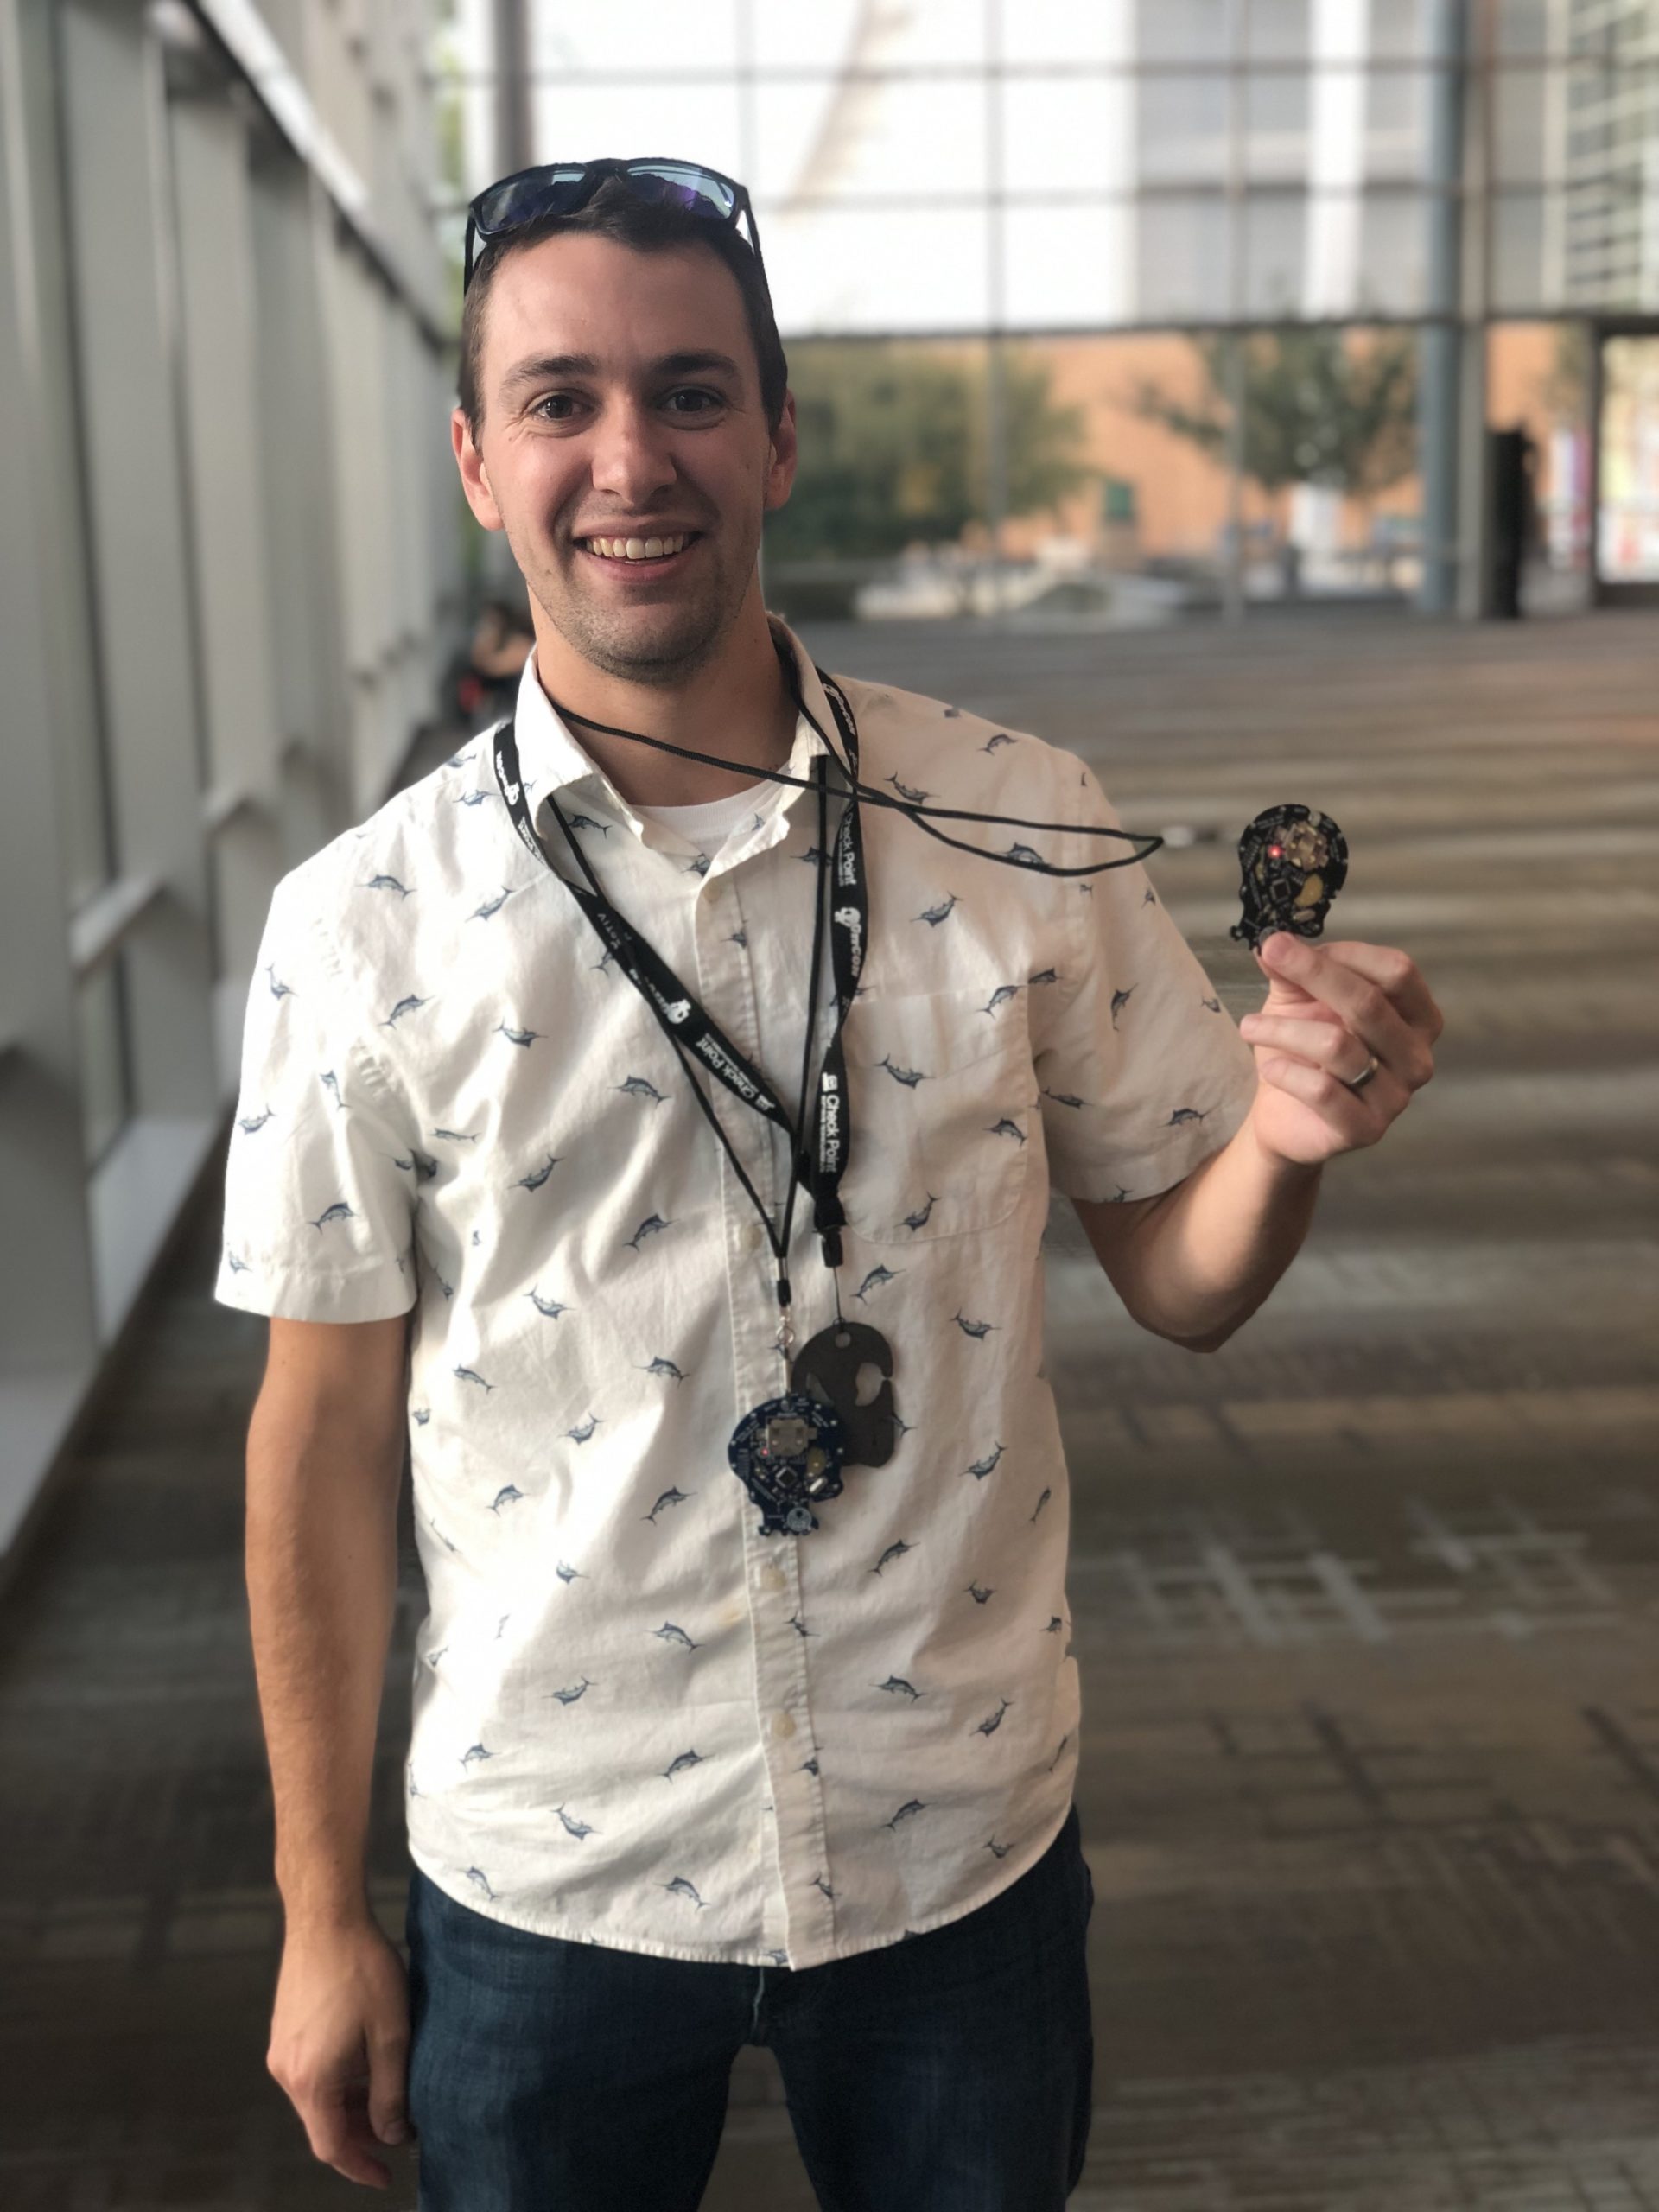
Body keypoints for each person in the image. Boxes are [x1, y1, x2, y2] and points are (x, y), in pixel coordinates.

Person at [217, 157, 1442, 2210]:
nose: (632, 459)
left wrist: (1291, 1147)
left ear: (776, 431)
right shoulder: (362, 930)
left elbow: (1185, 1272)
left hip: (955, 1840)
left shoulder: (1019, 821)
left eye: (692, 392)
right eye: (560, 399)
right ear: (473, 457)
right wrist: (316, 1911)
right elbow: (319, 1436)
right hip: (552, 1869)